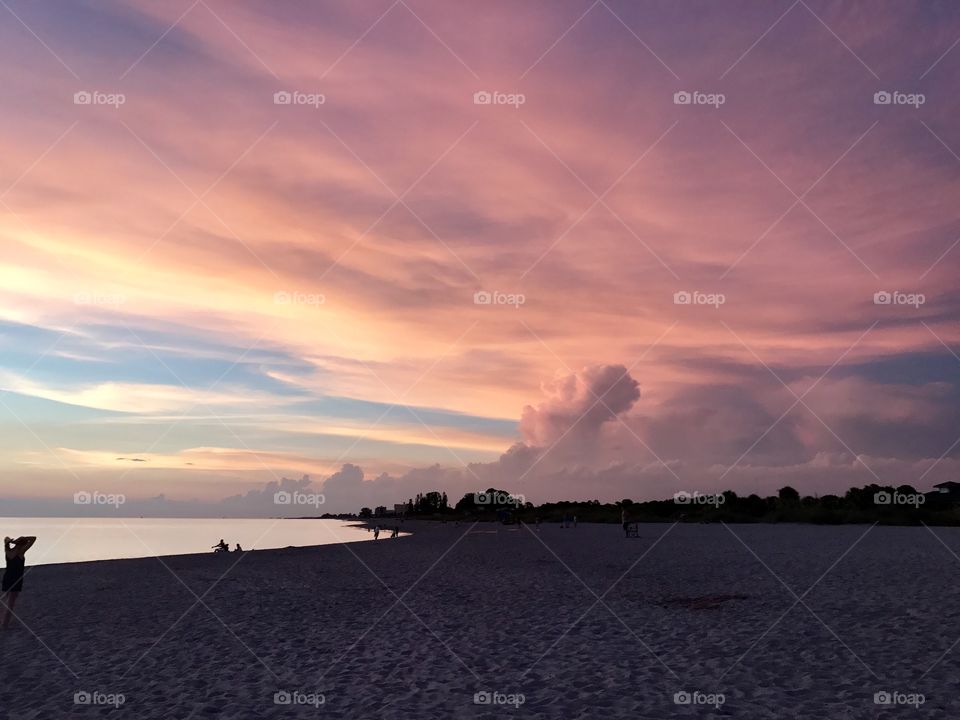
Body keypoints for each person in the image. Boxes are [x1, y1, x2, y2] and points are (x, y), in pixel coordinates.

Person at [2, 535, 36, 631]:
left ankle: (3, 622)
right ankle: (4, 625)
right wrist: (22, 538)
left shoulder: (8, 551)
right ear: (22, 545)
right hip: (15, 579)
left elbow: (6, 539)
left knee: (6, 600)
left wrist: (11, 541)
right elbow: (34, 538)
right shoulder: (20, 552)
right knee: (11, 603)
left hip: (7, 578)